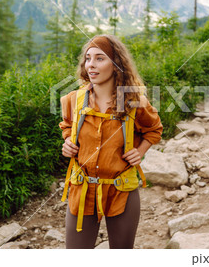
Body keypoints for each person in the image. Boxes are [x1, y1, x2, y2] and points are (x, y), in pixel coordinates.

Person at [59, 34, 163, 249]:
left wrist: (140, 150)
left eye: (100, 58)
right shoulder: (72, 100)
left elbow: (154, 129)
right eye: (88, 58)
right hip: (82, 188)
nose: (91, 65)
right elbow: (67, 125)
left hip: (122, 190)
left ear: (116, 65)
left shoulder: (135, 101)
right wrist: (68, 140)